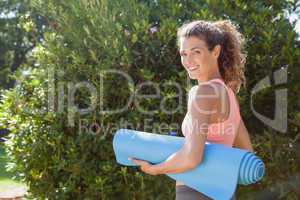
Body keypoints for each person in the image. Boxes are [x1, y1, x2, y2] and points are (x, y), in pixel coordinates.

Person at [129, 19, 254, 200]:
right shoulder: (228, 94)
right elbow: (247, 152)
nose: (188, 61)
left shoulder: (203, 92)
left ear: (216, 51)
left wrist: (155, 168)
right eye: (183, 54)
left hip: (195, 192)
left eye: (196, 52)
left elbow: (192, 157)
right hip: (224, 193)